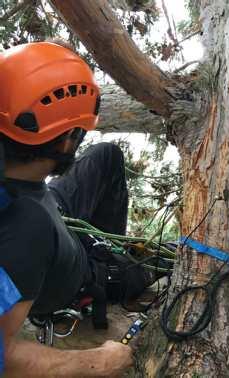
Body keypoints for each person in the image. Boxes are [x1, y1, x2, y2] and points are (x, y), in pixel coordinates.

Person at [0, 42, 135, 376]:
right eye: (77, 134)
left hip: (43, 200)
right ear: (64, 142)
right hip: (78, 271)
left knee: (106, 155)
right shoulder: (26, 230)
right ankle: (112, 260)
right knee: (136, 273)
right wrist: (97, 362)